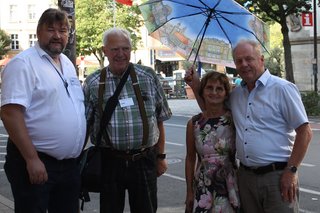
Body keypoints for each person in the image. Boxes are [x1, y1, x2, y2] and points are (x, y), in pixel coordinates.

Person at [185, 40, 312, 213]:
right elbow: (212, 110)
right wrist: (195, 84)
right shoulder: (237, 94)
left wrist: (291, 171)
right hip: (244, 180)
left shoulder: (282, 88)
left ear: (261, 60)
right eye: (239, 61)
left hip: (277, 177)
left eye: (248, 59)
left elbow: (305, 131)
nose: (244, 64)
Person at [0, 8, 86, 213]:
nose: (57, 35)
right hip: (37, 162)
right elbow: (10, 113)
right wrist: (31, 159)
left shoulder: (66, 62)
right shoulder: (23, 63)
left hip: (68, 167)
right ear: (38, 32)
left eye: (63, 30)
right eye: (51, 30)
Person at [83, 27, 172, 213]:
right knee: (110, 209)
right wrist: (76, 161)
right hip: (110, 161)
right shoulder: (92, 83)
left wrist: (161, 157)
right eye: (115, 49)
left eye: (125, 48)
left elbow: (160, 119)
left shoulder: (148, 77)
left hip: (144, 159)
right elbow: (84, 125)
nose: (121, 54)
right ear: (104, 51)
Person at [185, 71, 240, 213]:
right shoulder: (194, 123)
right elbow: (190, 159)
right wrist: (189, 192)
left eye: (219, 89)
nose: (214, 92)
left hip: (231, 184)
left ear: (226, 94)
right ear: (202, 91)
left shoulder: (234, 120)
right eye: (209, 88)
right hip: (203, 185)